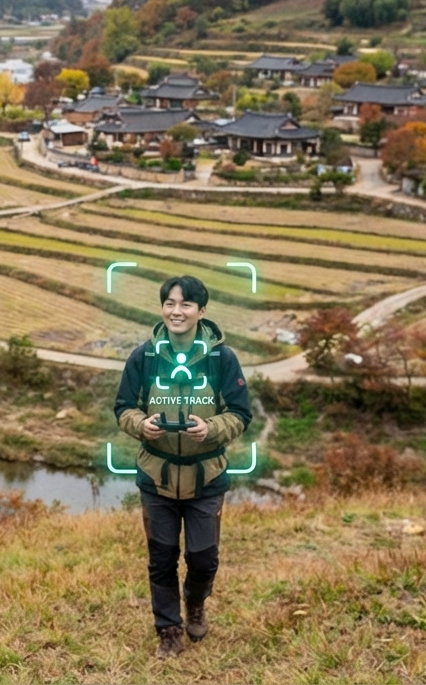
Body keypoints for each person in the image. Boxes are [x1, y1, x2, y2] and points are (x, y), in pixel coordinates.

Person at [113, 275, 252, 658]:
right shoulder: (144, 356)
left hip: (206, 476)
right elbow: (124, 407)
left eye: (186, 304)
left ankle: (195, 602)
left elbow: (240, 413)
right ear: (162, 308)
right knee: (161, 559)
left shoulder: (221, 358)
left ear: (201, 311)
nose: (177, 311)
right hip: (156, 477)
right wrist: (140, 425)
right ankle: (169, 631)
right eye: (170, 303)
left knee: (203, 559)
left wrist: (211, 430)